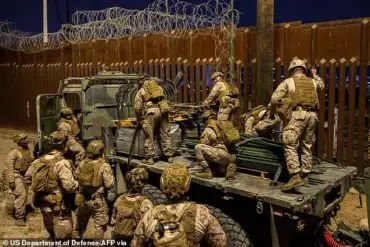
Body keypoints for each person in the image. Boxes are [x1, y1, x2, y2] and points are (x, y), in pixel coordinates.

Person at [131, 164, 227, 247]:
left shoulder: (150, 216)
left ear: (162, 186)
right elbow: (220, 243)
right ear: (188, 186)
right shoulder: (202, 213)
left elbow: (136, 244)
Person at [269, 58, 324, 192]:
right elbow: (321, 84)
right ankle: (305, 175)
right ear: (303, 70)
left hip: (298, 114)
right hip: (312, 116)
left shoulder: (289, 81)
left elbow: (274, 98)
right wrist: (315, 75)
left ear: (292, 70)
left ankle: (294, 175)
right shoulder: (312, 82)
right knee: (307, 144)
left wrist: (271, 111)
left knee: (289, 141)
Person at [25, 131, 79, 240]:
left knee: (51, 231)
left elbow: (27, 178)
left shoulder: (39, 160)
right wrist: (78, 184)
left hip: (43, 201)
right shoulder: (62, 163)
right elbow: (68, 186)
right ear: (64, 144)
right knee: (63, 236)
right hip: (59, 204)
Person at [72, 140, 115, 239]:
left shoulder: (83, 163)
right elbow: (109, 184)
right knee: (99, 226)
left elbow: (76, 176)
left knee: (80, 223)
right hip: (97, 200)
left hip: (83, 199)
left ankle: (76, 240)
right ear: (101, 151)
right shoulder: (104, 165)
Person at [133, 73, 173, 165]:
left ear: (141, 82)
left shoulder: (142, 90)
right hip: (163, 111)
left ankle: (149, 158)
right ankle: (169, 156)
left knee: (149, 135)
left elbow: (137, 107)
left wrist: (139, 118)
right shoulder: (159, 88)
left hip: (151, 112)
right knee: (165, 133)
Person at [111, 168, 153, 243]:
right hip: (133, 240)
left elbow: (113, 219)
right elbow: (147, 227)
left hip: (118, 238)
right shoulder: (145, 203)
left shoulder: (120, 199)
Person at [192, 110, 238, 180]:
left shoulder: (208, 129)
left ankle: (207, 172)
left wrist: (199, 162)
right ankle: (228, 166)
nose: (204, 122)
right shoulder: (223, 125)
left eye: (204, 120)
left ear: (208, 119)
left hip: (221, 155)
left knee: (198, 147)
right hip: (231, 155)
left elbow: (203, 145)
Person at [4, 133, 34, 226]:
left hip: (25, 176)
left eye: (26, 138)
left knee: (24, 196)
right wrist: (11, 181)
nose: (26, 140)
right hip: (16, 175)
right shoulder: (14, 152)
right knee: (21, 195)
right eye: (23, 139)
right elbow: (9, 167)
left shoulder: (28, 151)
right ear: (19, 141)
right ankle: (19, 217)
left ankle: (22, 213)